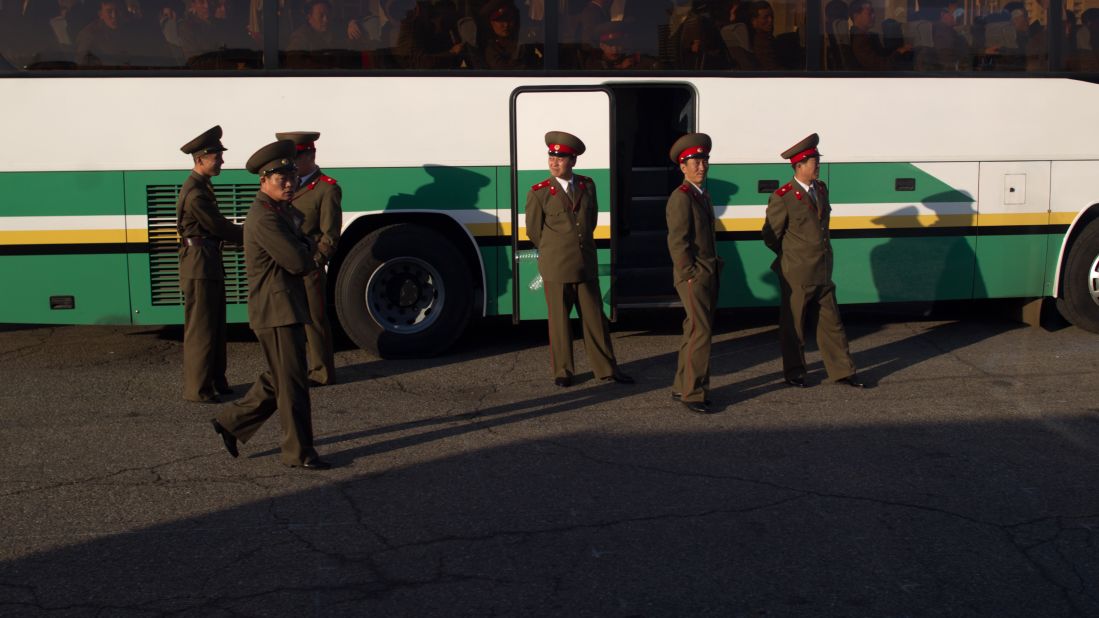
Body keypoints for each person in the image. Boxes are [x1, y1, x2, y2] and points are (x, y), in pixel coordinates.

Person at [211, 140, 331, 470]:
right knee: (292, 384)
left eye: (292, 177)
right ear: (264, 181)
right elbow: (297, 259)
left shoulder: (280, 211)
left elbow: (304, 244)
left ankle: (230, 422)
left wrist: (305, 247)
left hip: (284, 306)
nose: (290, 184)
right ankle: (299, 453)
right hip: (276, 310)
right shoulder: (265, 217)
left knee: (281, 376)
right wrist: (307, 250)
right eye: (282, 179)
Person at [524, 131, 633, 388]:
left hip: (585, 263)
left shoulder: (587, 185)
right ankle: (563, 371)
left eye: (560, 158)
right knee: (560, 322)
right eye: (551, 157)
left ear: (573, 161)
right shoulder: (539, 192)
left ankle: (606, 369)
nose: (554, 162)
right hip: (556, 265)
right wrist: (554, 250)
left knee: (595, 318)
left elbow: (590, 220)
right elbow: (533, 231)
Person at [762, 133, 865, 390]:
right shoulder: (783, 196)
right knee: (793, 326)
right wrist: (792, 257)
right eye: (813, 162)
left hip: (822, 270)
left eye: (817, 160)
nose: (817, 165)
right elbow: (770, 235)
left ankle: (843, 371)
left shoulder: (821, 189)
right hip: (796, 272)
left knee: (832, 324)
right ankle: (795, 372)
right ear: (799, 165)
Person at [176, 125, 243, 403]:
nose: (222, 161)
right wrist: (253, 234)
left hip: (208, 262)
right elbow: (216, 225)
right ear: (201, 159)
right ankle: (198, 389)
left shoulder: (202, 186)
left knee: (215, 325)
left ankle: (216, 381)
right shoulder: (196, 193)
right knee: (202, 329)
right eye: (217, 157)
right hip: (199, 265)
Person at [275, 131, 341, 386]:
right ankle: (297, 368)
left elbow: (330, 233)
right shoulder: (287, 183)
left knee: (315, 320)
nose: (290, 165)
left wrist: (318, 260)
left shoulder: (326, 188)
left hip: (309, 262)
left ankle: (321, 372)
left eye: (294, 158)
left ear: (310, 155)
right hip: (287, 260)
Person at [665, 133, 720, 415]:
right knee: (701, 332)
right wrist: (689, 274)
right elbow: (677, 241)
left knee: (692, 329)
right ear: (682, 167)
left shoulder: (702, 194)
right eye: (695, 162)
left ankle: (681, 384)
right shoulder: (681, 197)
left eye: (704, 160)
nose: (701, 166)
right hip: (694, 276)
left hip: (706, 272)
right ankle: (694, 393)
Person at [848, 0, 910, 70]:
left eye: (873, 12)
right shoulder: (858, 39)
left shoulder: (869, 36)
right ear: (856, 16)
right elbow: (880, 66)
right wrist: (899, 52)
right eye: (869, 13)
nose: (874, 16)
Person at [74, 0, 130, 65]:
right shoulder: (88, 35)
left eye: (119, 10)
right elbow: (83, 66)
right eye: (109, 11)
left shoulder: (130, 29)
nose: (114, 16)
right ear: (100, 15)